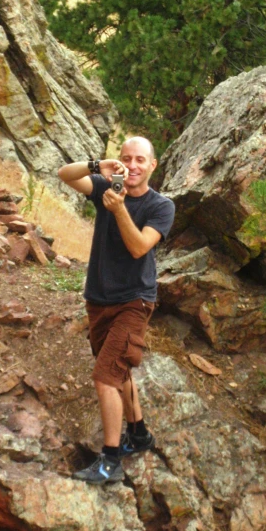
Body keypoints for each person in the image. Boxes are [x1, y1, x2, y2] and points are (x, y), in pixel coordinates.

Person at [58, 136, 175, 484]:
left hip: (134, 301)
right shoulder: (105, 186)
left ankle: (110, 461)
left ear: (153, 165)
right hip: (99, 299)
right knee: (118, 369)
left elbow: (140, 248)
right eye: (127, 158)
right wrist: (100, 166)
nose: (133, 165)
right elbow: (64, 174)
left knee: (105, 376)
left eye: (141, 159)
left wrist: (119, 208)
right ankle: (138, 433)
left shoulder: (161, 206)